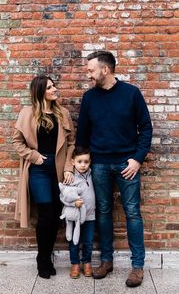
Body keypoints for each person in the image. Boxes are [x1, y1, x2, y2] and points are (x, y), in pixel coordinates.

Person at [76, 50, 152, 287]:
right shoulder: (89, 98)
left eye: (91, 70)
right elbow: (82, 137)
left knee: (132, 213)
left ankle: (137, 266)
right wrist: (81, 165)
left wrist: (137, 159)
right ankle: (106, 260)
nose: (88, 74)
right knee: (103, 212)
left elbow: (146, 128)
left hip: (126, 164)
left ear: (105, 69)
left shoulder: (131, 94)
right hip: (99, 164)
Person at [13, 75, 75, 279]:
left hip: (59, 168)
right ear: (40, 92)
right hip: (39, 169)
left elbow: (72, 143)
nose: (55, 89)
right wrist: (34, 156)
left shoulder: (63, 113)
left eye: (54, 85)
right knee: (46, 212)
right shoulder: (27, 113)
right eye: (50, 87)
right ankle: (43, 258)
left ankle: (46, 256)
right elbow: (17, 143)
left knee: (56, 213)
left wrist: (68, 168)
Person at [60, 146, 95, 279]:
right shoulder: (70, 178)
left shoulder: (92, 174)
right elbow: (63, 196)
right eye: (79, 162)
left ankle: (87, 263)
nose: (83, 165)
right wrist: (73, 203)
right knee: (74, 241)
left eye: (86, 162)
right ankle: (75, 264)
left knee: (88, 241)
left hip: (90, 215)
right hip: (75, 216)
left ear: (90, 162)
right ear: (73, 162)